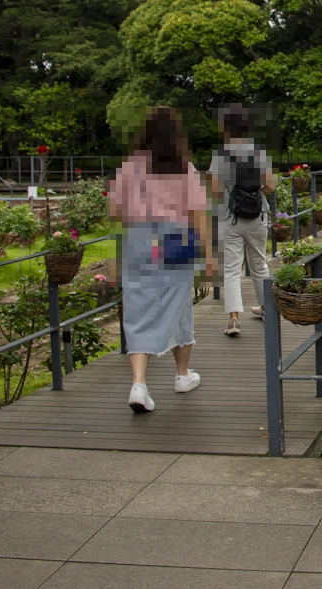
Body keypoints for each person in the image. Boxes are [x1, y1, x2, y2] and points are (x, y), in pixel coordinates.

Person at [108, 107, 212, 413]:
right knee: (179, 306)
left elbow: (115, 211)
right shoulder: (185, 168)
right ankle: (182, 375)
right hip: (174, 242)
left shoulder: (129, 169)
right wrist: (206, 253)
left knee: (138, 310)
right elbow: (198, 215)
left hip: (139, 242)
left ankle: (139, 383)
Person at [209, 105, 276, 332]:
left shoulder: (221, 154)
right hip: (257, 216)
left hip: (231, 218)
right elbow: (271, 185)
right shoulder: (259, 152)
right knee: (259, 264)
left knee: (231, 269)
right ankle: (267, 308)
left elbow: (216, 191)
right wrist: (254, 194)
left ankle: (234, 319)